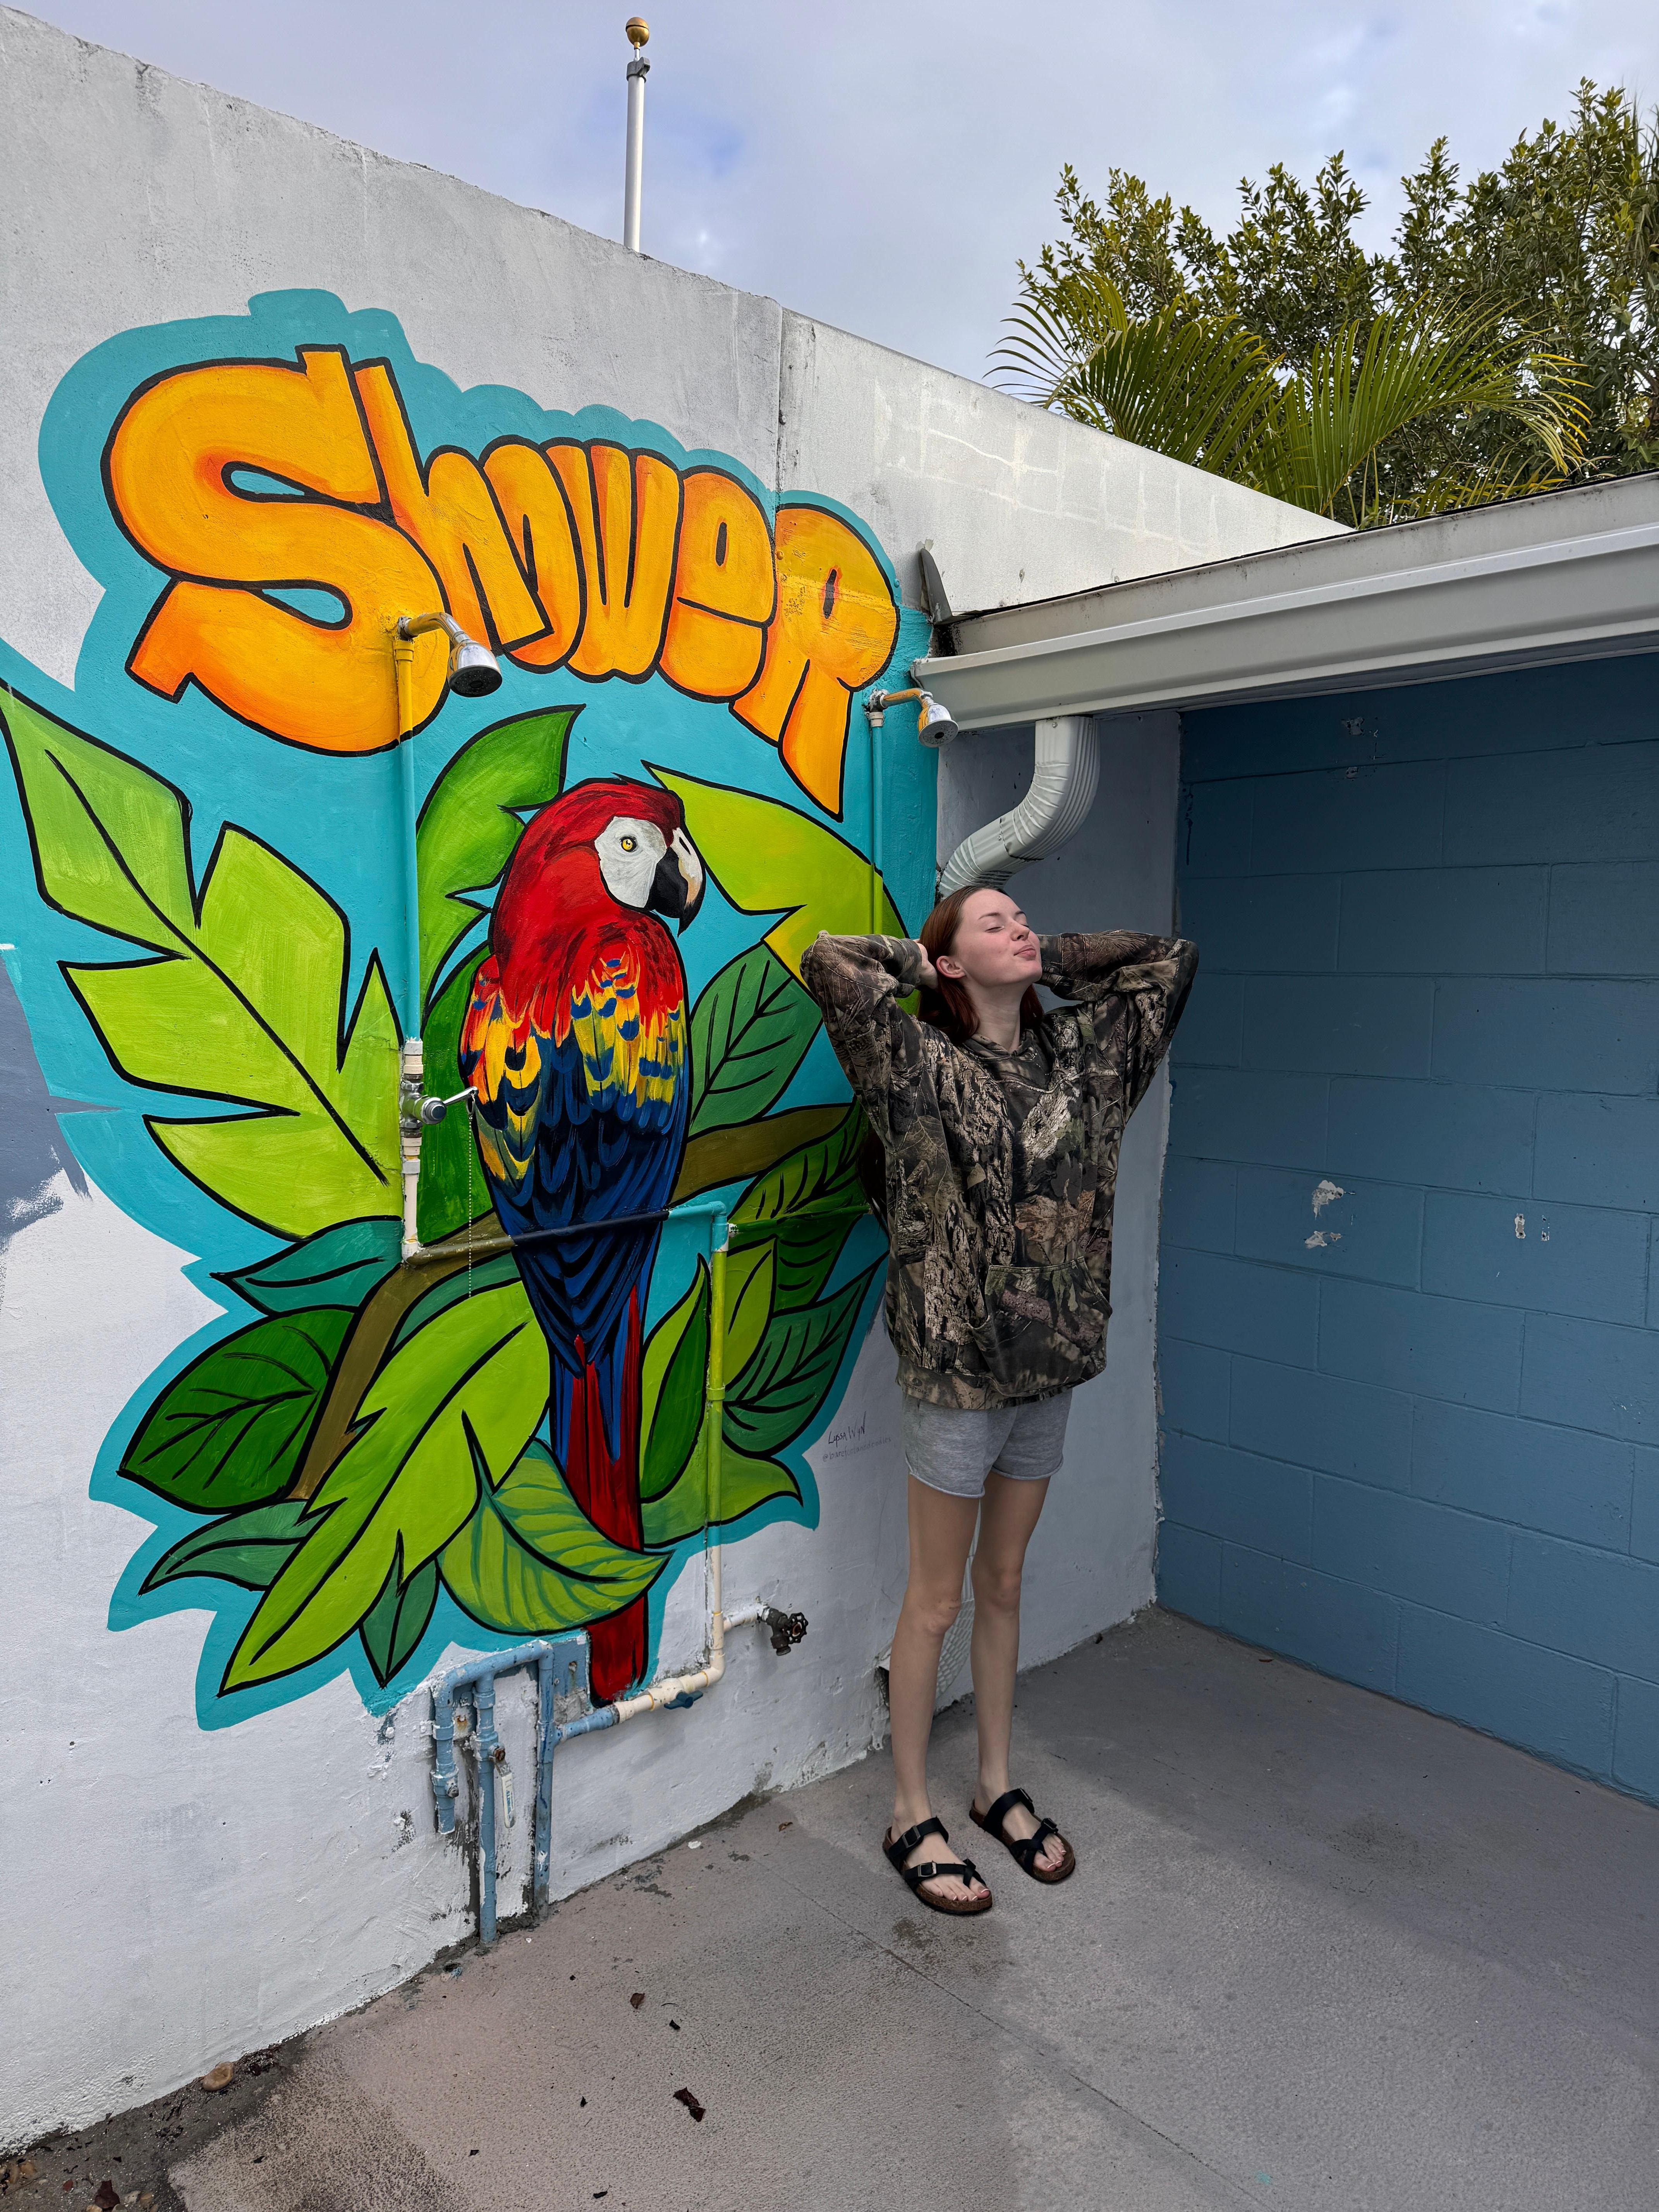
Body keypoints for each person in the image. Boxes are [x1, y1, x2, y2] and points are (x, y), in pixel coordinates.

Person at [800, 888, 1196, 1915]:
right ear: (949, 962)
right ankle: (908, 1812)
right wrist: (924, 961)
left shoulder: (1087, 1059)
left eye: (1024, 919)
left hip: (1049, 1365)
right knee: (936, 1600)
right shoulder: (916, 1064)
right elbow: (830, 965)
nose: (1019, 928)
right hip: (957, 1375)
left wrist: (1045, 955)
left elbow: (1169, 961)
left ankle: (993, 1787)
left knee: (1006, 1582)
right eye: (994, 923)